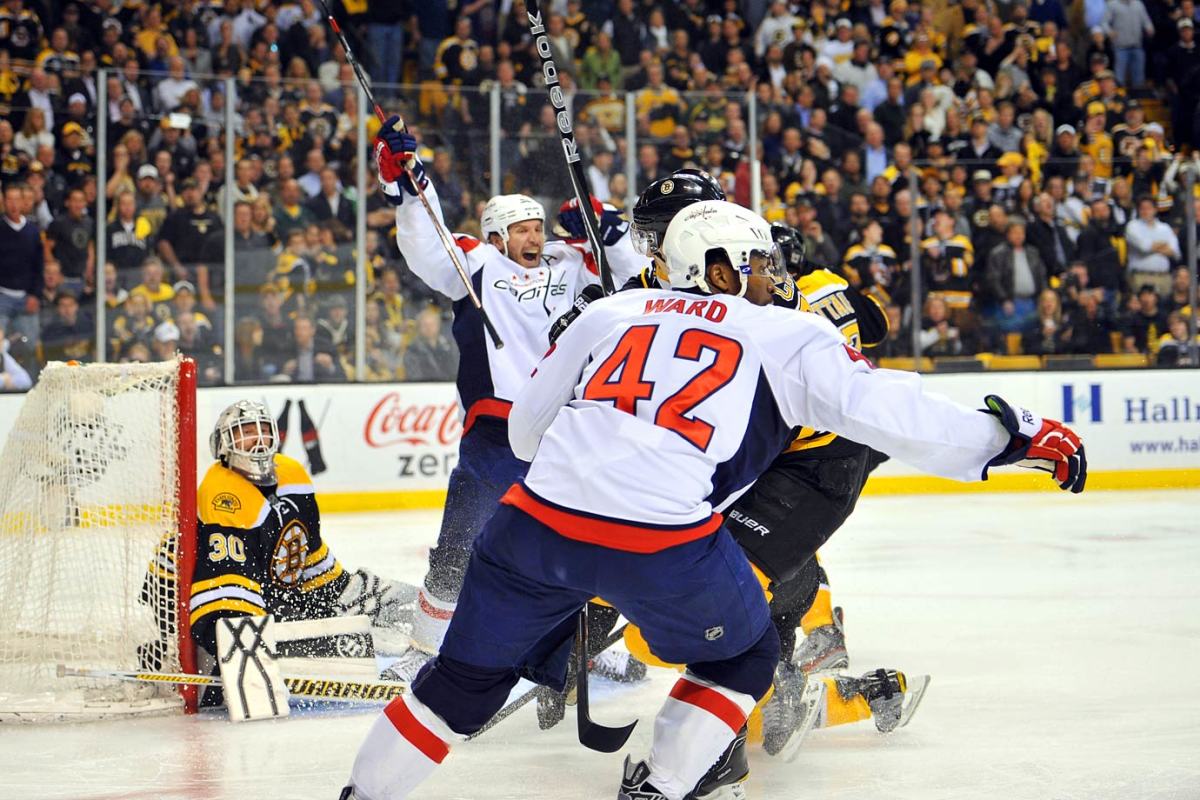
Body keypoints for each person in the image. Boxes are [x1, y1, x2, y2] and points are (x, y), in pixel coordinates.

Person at [340, 200, 1086, 800]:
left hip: (530, 530)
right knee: (745, 655)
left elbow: (529, 434)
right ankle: (663, 789)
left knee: (459, 686)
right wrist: (1015, 436)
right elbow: (894, 413)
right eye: (758, 262)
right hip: (661, 545)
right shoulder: (785, 335)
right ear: (721, 269)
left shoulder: (610, 313)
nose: (769, 276)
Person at [371, 116, 642, 679]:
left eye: (537, 227)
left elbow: (635, 280)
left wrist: (603, 226)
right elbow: (428, 244)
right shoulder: (476, 263)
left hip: (567, 425)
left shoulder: (571, 263)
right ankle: (427, 648)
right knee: (464, 539)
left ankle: (581, 643)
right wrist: (409, 182)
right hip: (498, 428)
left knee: (579, 537)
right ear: (496, 236)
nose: (533, 237)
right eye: (520, 229)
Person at [140, 401, 418, 700]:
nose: (258, 440)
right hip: (186, 599)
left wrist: (344, 598)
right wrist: (241, 653)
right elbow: (227, 601)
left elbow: (307, 556)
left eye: (264, 431)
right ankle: (182, 659)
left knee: (386, 602)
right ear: (223, 445)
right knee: (254, 646)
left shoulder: (292, 475)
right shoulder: (223, 495)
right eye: (245, 433)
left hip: (259, 590)